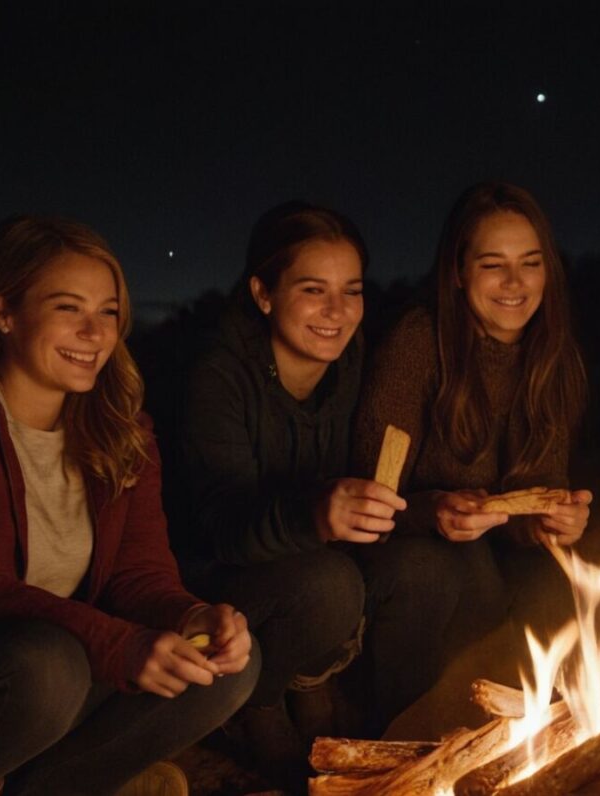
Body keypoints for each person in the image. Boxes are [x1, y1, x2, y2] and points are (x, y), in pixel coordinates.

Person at [0, 216, 258, 796]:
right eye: (69, 308)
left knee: (227, 668)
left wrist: (189, 615)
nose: (95, 332)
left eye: (107, 311)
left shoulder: (121, 429)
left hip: (58, 669)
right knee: (51, 664)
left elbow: (138, 573)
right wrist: (116, 646)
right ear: (3, 312)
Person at [351, 182, 592, 729]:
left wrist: (554, 521)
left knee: (556, 580)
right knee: (441, 567)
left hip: (489, 556)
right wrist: (432, 508)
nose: (514, 283)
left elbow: (534, 500)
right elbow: (370, 497)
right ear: (458, 272)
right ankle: (400, 734)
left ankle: (526, 734)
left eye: (530, 263)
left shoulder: (554, 357)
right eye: (492, 264)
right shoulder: (419, 343)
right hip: (403, 553)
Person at [178, 202, 408, 776]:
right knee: (330, 586)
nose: (337, 312)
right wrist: (314, 516)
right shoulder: (218, 377)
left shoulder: (350, 359)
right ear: (263, 293)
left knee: (414, 564)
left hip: (301, 559)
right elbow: (217, 528)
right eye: (313, 289)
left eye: (352, 290)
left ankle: (315, 677)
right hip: (210, 580)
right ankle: (253, 704)